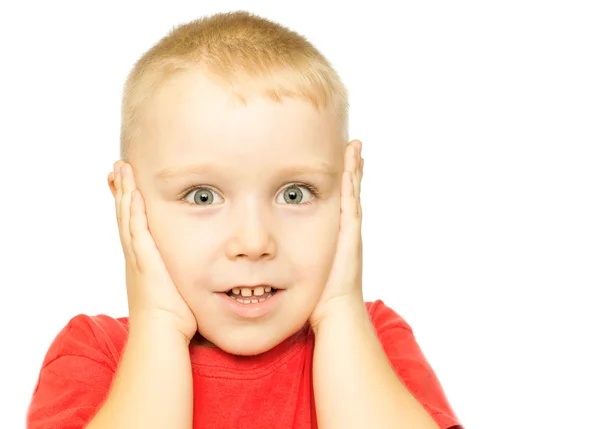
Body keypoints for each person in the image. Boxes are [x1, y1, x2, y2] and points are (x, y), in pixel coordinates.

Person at [27, 10, 462, 429]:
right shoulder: (94, 354)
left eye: (295, 194)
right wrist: (158, 322)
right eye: (202, 196)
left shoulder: (374, 340)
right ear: (129, 204)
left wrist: (339, 310)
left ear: (348, 198)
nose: (254, 242)